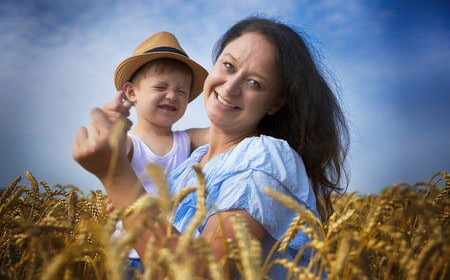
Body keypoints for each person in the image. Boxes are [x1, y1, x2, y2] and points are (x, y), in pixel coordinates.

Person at [73, 16, 349, 279]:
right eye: (228, 66)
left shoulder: (264, 159)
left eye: (254, 83)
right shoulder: (188, 165)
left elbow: (199, 274)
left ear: (276, 103)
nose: (229, 88)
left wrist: (117, 177)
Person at [106, 31, 209, 271]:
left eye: (182, 91)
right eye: (161, 86)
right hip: (131, 256)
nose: (172, 95)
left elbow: (224, 131)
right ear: (131, 93)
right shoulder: (132, 144)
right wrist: (114, 126)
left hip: (174, 254)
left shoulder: (188, 139)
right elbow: (112, 152)